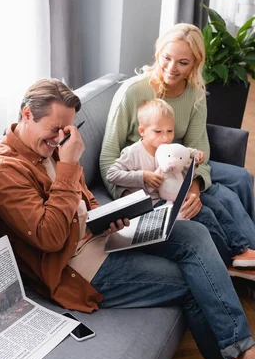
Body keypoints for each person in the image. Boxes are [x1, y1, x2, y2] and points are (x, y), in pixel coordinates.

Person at [0, 78, 255, 359]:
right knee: (190, 283)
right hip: (77, 267)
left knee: (194, 233)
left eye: (65, 130)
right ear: (26, 115)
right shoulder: (4, 172)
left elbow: (83, 199)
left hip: (100, 237)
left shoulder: (48, 146)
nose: (58, 139)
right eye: (53, 129)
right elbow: (50, 237)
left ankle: (243, 355)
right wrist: (68, 164)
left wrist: (107, 216)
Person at [100, 23, 255, 269]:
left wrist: (193, 189)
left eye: (183, 62)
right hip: (149, 172)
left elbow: (198, 144)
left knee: (241, 178)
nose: (172, 68)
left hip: (181, 164)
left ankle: (249, 255)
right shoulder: (132, 92)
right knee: (224, 195)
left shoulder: (194, 93)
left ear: (195, 63)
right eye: (167, 58)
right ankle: (243, 255)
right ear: (158, 54)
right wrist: (131, 196)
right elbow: (108, 158)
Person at [106, 98, 255, 268]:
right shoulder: (133, 153)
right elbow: (112, 174)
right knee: (204, 214)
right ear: (142, 131)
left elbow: (185, 160)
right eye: (158, 131)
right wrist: (142, 176)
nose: (165, 137)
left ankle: (241, 248)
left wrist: (194, 160)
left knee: (215, 204)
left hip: (177, 196)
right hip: (155, 205)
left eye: (170, 131)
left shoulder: (171, 149)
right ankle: (227, 258)